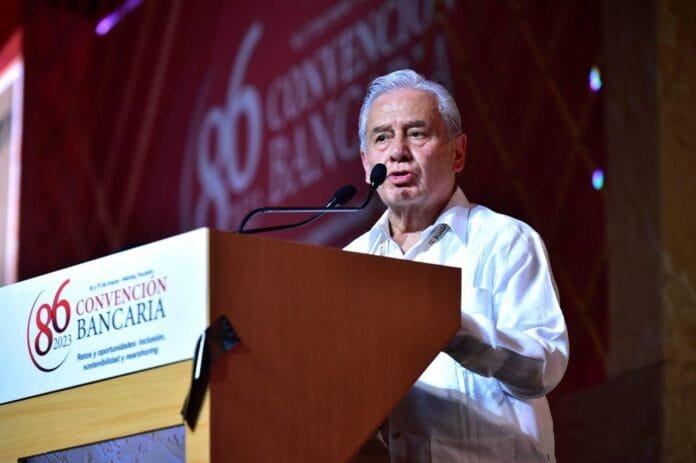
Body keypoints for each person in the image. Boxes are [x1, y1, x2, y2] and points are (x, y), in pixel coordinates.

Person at [345, 69, 569, 462]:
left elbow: (545, 366)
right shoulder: (347, 266)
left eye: (416, 133)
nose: (397, 151)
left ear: (458, 152)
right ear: (367, 164)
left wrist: (451, 326)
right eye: (382, 138)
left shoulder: (505, 240)